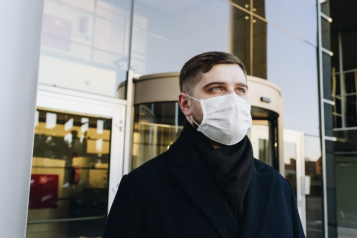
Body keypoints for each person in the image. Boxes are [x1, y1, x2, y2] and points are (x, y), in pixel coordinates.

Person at [103, 51, 305, 238]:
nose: (233, 100)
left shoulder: (278, 185)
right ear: (185, 104)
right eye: (217, 88)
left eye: (240, 89)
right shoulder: (141, 186)